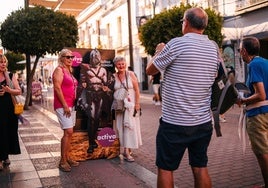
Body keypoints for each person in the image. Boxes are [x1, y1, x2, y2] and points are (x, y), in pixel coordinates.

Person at [146, 7, 219, 188]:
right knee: (200, 166)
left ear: (186, 22)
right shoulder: (214, 48)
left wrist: (159, 51)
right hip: (202, 121)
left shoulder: (176, 44)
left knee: (165, 168)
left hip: (174, 122)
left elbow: (150, 70)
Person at [238, 36, 268, 188]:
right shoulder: (265, 62)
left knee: (262, 153)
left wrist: (243, 100)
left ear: (244, 51)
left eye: (239, 50)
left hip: (258, 115)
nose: (239, 53)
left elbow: (260, 94)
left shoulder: (254, 65)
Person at [78, 49, 113, 153]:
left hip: (100, 95)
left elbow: (106, 82)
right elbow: (82, 82)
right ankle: (90, 143)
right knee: (91, 118)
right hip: (90, 95)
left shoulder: (103, 70)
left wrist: (107, 86)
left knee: (97, 118)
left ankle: (93, 141)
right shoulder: (86, 70)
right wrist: (83, 83)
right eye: (93, 56)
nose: (95, 58)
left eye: (97, 56)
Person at [53, 49, 79, 172]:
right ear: (62, 58)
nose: (70, 59)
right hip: (63, 105)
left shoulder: (70, 71)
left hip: (71, 105)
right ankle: (62, 161)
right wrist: (64, 105)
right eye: (67, 57)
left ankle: (67, 157)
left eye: (71, 57)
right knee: (68, 131)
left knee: (70, 132)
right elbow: (57, 88)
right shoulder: (59, 70)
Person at [112, 56, 142, 162]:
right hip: (119, 106)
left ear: (126, 64)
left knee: (129, 127)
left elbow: (137, 90)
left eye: (123, 63)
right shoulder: (113, 76)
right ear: (115, 65)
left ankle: (126, 151)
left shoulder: (131, 74)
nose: (121, 66)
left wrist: (137, 104)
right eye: (119, 64)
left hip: (130, 105)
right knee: (121, 127)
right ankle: (126, 149)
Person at [0, 54, 22, 170]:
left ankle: (5, 155)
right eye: (0, 62)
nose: (3, 64)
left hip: (10, 109)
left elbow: (19, 91)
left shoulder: (10, 75)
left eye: (4, 62)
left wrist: (9, 90)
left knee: (8, 132)